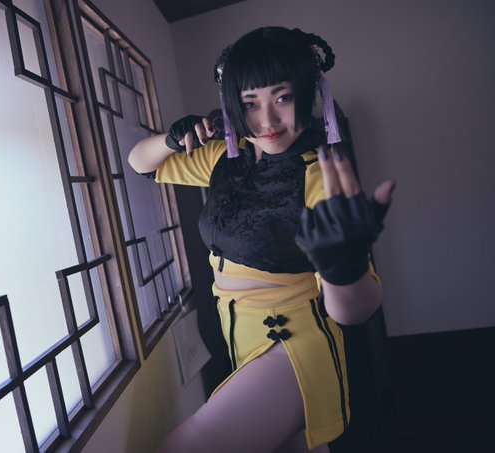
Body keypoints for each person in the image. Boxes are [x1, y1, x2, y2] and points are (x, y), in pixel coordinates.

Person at [128, 26, 395, 452]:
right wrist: (173, 138)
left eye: (282, 98)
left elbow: (356, 311)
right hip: (239, 338)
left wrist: (342, 269)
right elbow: (141, 163)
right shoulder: (224, 159)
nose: (266, 121)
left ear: (305, 94)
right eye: (250, 103)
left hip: (291, 344)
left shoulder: (318, 176)